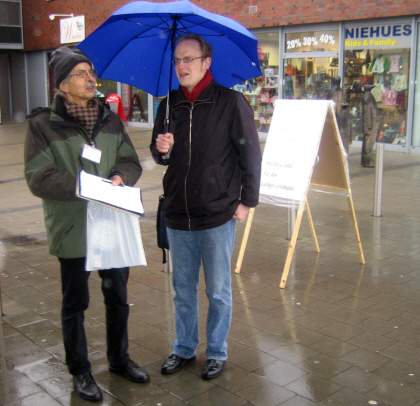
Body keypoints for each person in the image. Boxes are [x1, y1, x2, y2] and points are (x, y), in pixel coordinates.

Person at [24, 47, 148, 402]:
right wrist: (86, 186)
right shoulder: (42, 125)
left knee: (118, 298)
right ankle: (80, 371)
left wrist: (120, 177)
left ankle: (119, 359)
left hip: (111, 224)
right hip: (74, 228)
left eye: (91, 72)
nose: (90, 78)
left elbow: (130, 160)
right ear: (63, 85)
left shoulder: (111, 119)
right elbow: (39, 177)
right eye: (81, 74)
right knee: (75, 304)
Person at [150, 34, 262, 380]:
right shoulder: (167, 104)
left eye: (188, 59)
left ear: (206, 62)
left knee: (218, 291)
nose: (181, 66)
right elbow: (160, 157)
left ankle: (216, 351)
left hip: (217, 213)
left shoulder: (231, 102)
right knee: (182, 289)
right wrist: (162, 148)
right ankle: (184, 348)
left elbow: (250, 156)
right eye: (177, 61)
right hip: (178, 213)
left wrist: (247, 202)